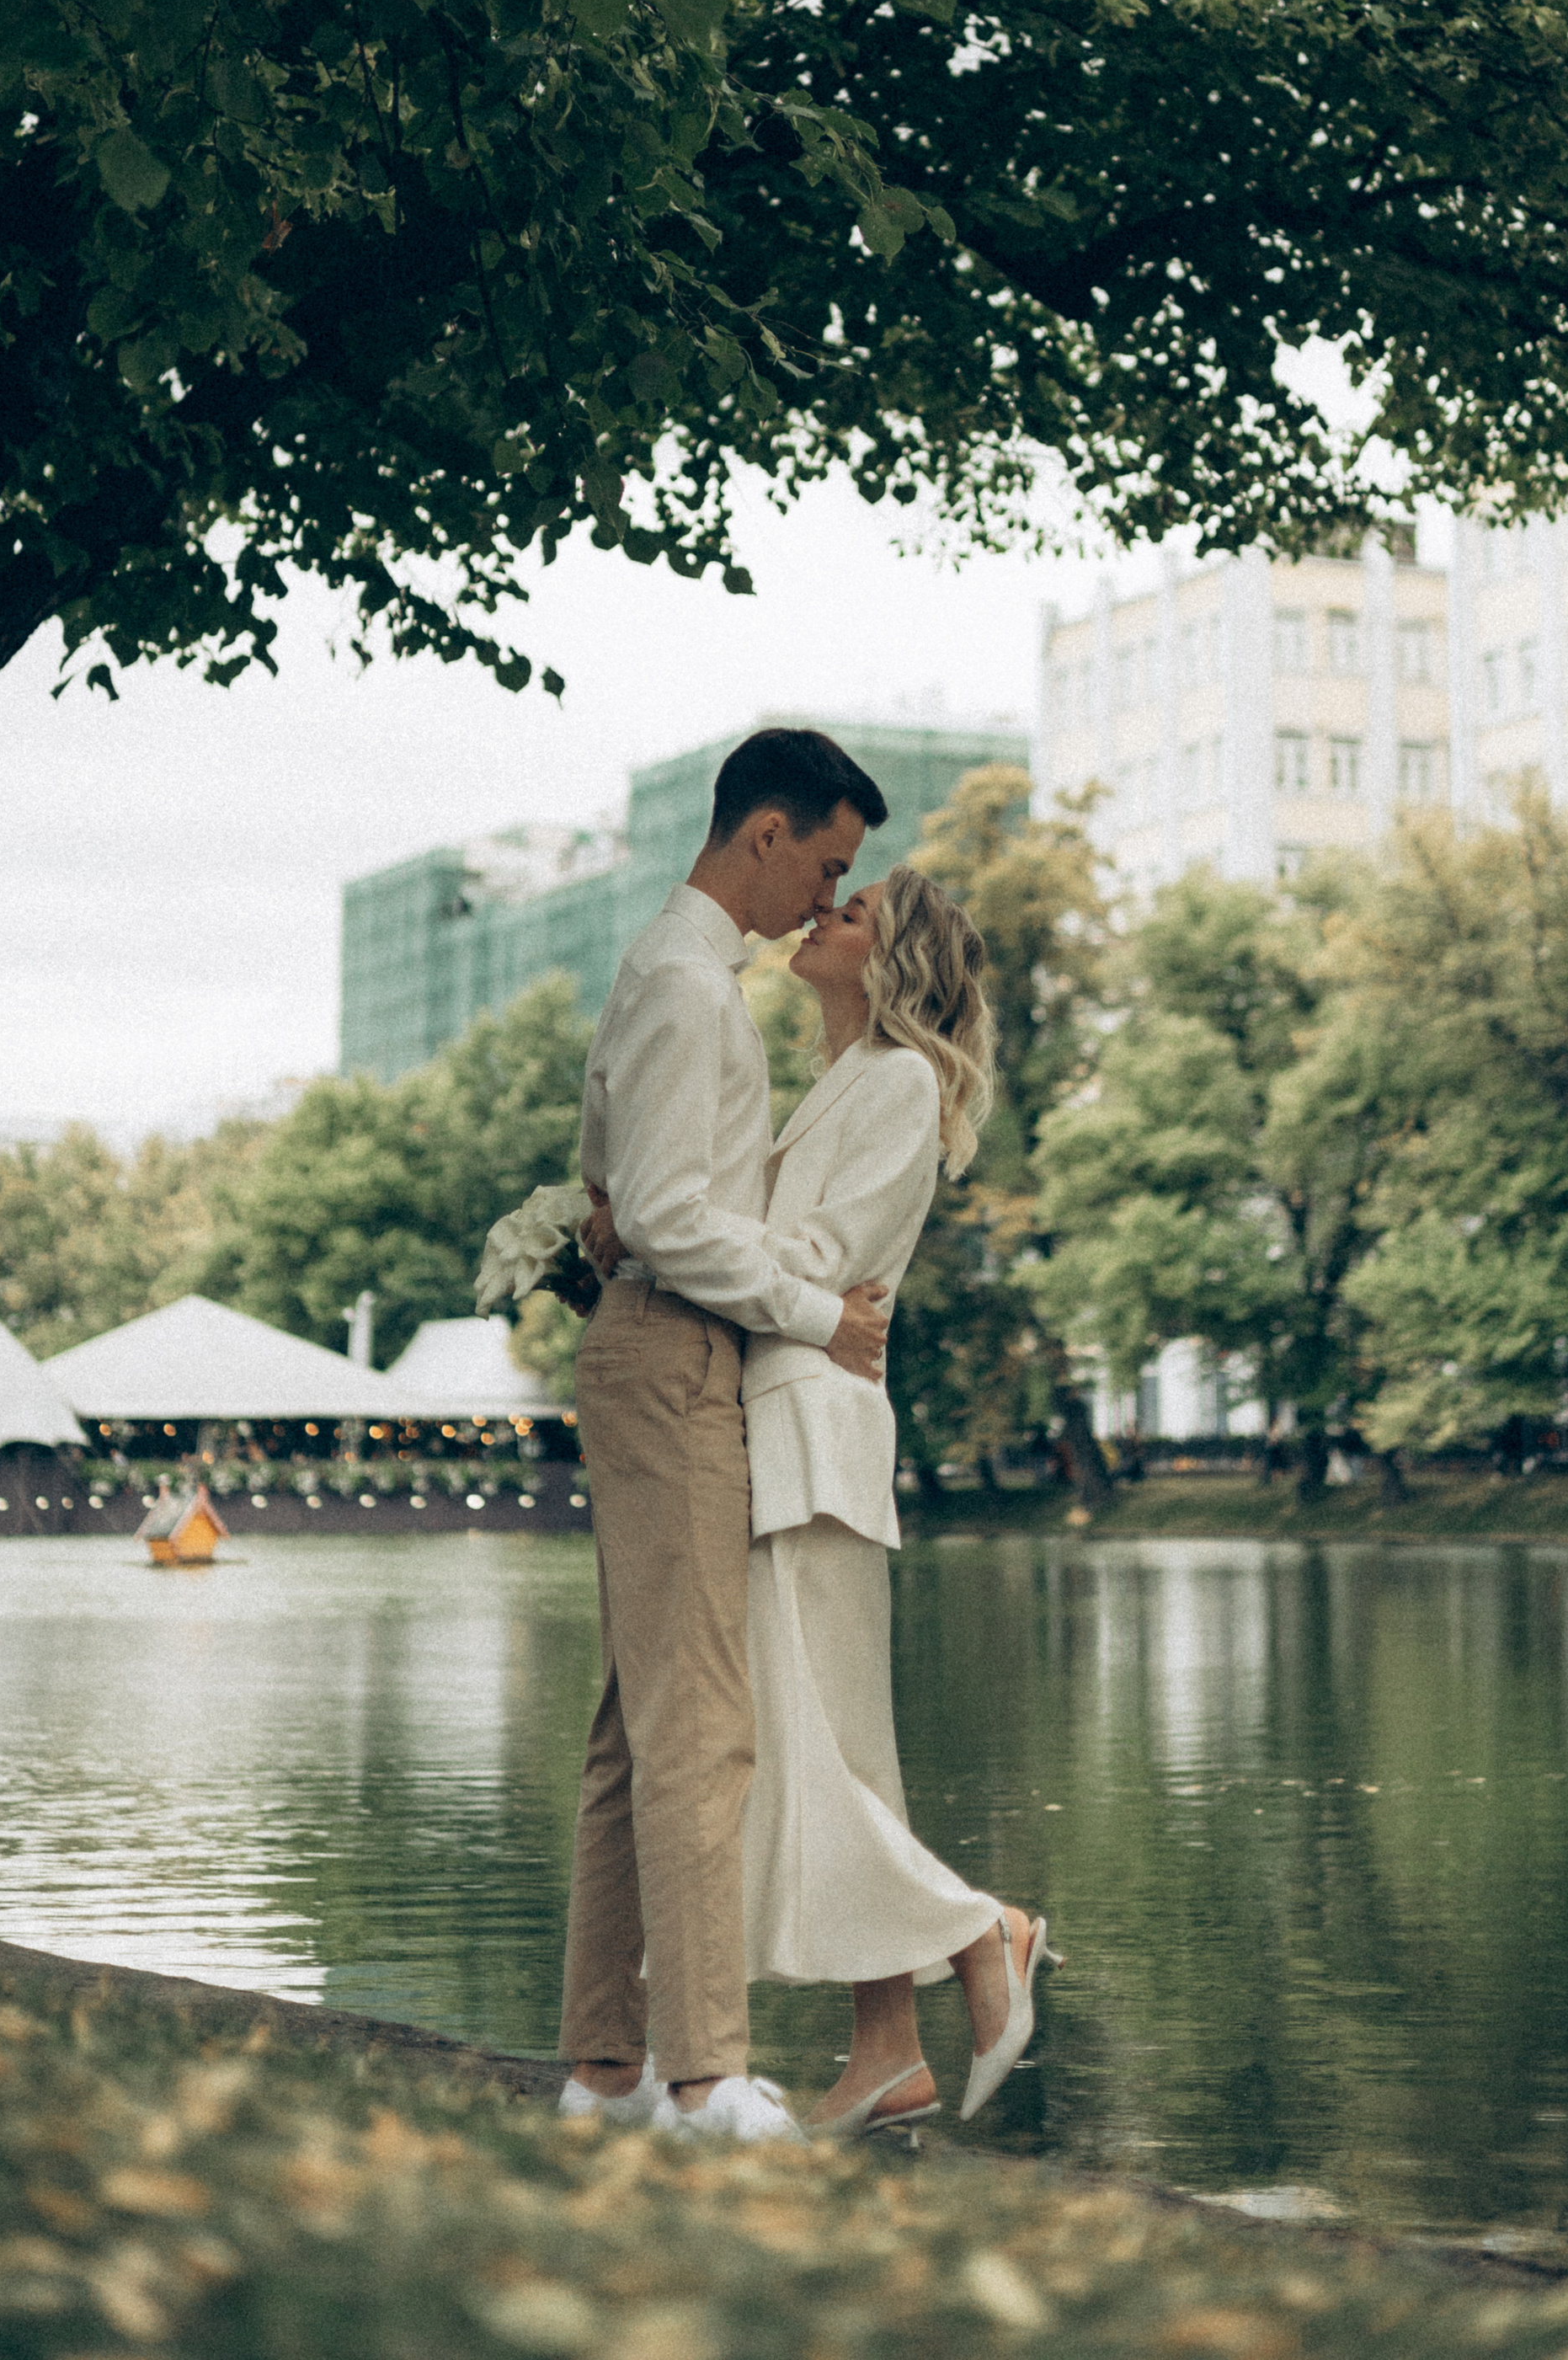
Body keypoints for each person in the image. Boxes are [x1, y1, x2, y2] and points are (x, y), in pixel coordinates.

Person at [557, 729, 893, 2149]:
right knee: (702, 1725)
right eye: (825, 865)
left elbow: (618, 1190)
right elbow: (667, 1216)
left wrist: (627, 1219)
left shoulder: (663, 972)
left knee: (638, 1730)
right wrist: (819, 1313)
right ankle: (702, 2083)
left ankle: (603, 2073)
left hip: (652, 1349)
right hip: (677, 1359)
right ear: (765, 833)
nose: (828, 899)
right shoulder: (692, 986)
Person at [741, 864, 1061, 2134]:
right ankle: (887, 2054)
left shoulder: (899, 1081)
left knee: (809, 1745)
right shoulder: (845, 1079)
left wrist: (665, 1232)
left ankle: (982, 1930)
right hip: (795, 1427)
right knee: (836, 1754)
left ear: (894, 960)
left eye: (856, 909)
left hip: (810, 1434)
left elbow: (822, 1261)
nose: (824, 911)